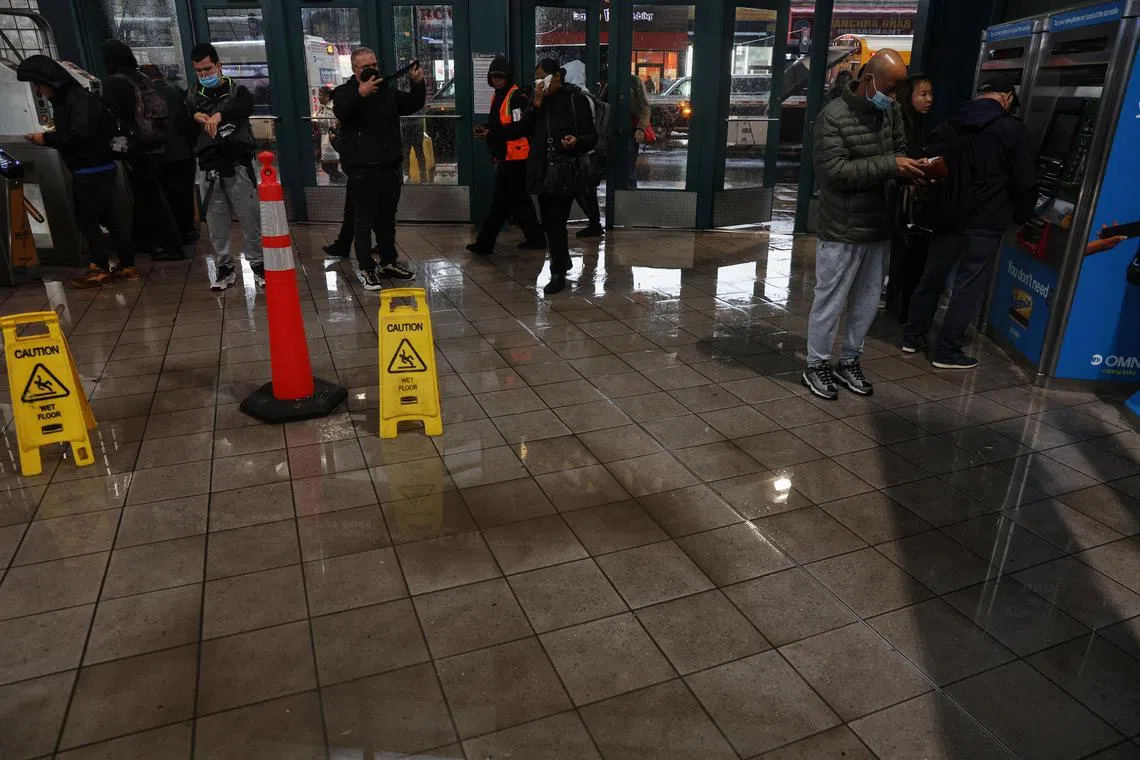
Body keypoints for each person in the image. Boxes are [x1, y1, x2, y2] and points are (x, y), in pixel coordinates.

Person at [801, 49, 926, 400]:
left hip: (879, 226)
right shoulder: (833, 117)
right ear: (869, 80)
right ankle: (816, 364)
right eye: (890, 88)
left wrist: (912, 172)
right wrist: (891, 166)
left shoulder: (892, 113)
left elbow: (898, 152)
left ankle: (850, 359)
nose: (895, 97)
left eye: (900, 90)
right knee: (830, 300)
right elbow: (833, 173)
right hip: (842, 229)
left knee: (867, 301)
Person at [902, 76, 1035, 369]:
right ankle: (947, 352)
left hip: (947, 215)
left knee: (932, 277)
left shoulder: (952, 121)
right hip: (985, 221)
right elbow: (1024, 181)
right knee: (968, 285)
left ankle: (913, 337)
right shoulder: (1012, 129)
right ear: (1007, 98)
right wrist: (1022, 216)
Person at [17, 55, 136, 286]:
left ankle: (98, 268)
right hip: (103, 165)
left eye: (39, 86)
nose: (39, 91)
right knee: (112, 219)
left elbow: (79, 134)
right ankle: (127, 265)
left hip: (89, 170)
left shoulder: (75, 100)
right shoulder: (81, 97)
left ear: (50, 82)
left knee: (88, 220)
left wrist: (46, 138)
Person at [333, 47, 424, 291]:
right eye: (366, 67)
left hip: (390, 167)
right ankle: (366, 266)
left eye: (375, 64)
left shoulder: (387, 92)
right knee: (363, 221)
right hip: (363, 170)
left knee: (386, 221)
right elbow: (341, 110)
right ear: (354, 70)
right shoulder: (345, 92)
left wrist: (417, 84)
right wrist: (361, 94)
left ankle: (388, 262)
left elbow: (413, 104)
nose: (372, 70)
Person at [187, 43, 264, 290]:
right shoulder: (191, 96)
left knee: (249, 216)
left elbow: (245, 107)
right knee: (216, 220)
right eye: (199, 70)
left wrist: (220, 116)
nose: (204, 74)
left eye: (208, 68)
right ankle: (224, 265)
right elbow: (179, 127)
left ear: (218, 66)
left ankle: (258, 262)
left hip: (238, 164)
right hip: (209, 166)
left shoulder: (236, 91)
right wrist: (194, 117)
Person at [100, 40, 184, 263]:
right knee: (153, 195)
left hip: (133, 147)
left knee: (150, 197)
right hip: (155, 143)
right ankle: (152, 241)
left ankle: (168, 244)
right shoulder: (142, 78)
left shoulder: (114, 83)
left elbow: (109, 117)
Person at [525, 63, 598, 295]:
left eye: (543, 77)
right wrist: (535, 104)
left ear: (557, 77)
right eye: (537, 78)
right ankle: (563, 260)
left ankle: (557, 272)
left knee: (556, 222)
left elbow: (592, 137)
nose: (540, 83)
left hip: (565, 171)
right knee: (548, 221)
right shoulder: (537, 100)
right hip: (542, 171)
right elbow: (523, 129)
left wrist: (576, 141)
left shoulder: (574, 100)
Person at [466, 54, 544, 255]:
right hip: (508, 157)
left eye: (500, 77)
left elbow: (519, 129)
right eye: (494, 77)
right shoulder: (500, 95)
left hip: (514, 158)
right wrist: (487, 128)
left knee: (501, 204)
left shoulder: (514, 97)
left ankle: (485, 243)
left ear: (507, 77)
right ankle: (536, 239)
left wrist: (491, 133)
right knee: (520, 202)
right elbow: (501, 124)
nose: (497, 80)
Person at [884, 73, 934, 321]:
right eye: (923, 94)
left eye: (930, 94)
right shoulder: (900, 125)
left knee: (903, 258)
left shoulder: (918, 124)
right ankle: (899, 306)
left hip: (907, 202)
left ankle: (896, 303)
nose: (929, 99)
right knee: (904, 257)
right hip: (902, 203)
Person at [140, 64, 197, 245]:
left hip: (161, 154)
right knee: (185, 194)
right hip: (184, 153)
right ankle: (187, 230)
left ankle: (172, 235)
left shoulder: (145, 97)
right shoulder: (177, 91)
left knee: (166, 197)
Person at [315, 85, 345, 184]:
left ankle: (343, 181)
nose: (318, 97)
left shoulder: (331, 106)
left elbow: (330, 122)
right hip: (326, 138)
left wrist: (319, 115)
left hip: (330, 138)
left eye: (320, 95)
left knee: (328, 166)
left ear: (327, 96)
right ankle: (335, 183)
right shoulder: (325, 106)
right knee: (328, 166)